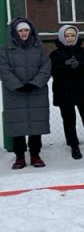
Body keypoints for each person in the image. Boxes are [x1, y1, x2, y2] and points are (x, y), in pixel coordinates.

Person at [0, 18, 52, 169]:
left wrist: (35, 83)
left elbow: (46, 67)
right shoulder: (5, 51)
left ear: (31, 32)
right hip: (14, 93)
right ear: (15, 33)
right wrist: (17, 85)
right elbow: (4, 70)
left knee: (36, 125)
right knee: (18, 126)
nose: (23, 33)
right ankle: (20, 156)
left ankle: (35, 155)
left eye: (26, 30)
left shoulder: (39, 49)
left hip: (36, 91)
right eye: (20, 31)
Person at [49, 24, 84, 160]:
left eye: (72, 35)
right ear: (62, 37)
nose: (70, 38)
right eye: (67, 36)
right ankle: (73, 146)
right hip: (64, 92)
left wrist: (80, 65)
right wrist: (65, 66)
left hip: (83, 91)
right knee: (69, 121)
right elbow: (52, 70)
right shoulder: (55, 54)